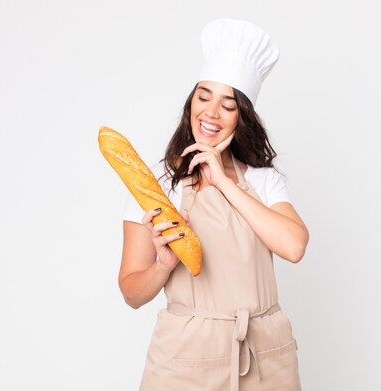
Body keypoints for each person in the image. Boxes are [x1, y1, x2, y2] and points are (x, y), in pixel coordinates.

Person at [120, 19, 309, 391]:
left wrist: (224, 182)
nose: (211, 113)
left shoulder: (261, 180)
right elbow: (131, 292)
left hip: (265, 355)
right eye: (203, 97)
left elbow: (294, 245)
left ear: (243, 118)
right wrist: (163, 266)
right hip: (186, 356)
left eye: (227, 105)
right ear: (191, 102)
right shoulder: (156, 187)